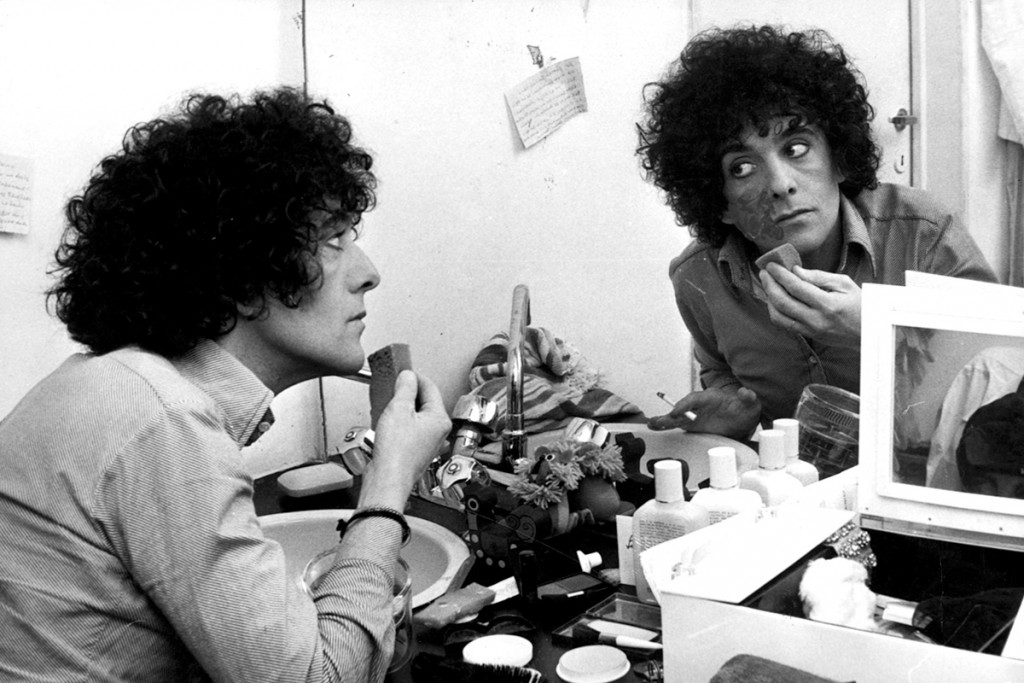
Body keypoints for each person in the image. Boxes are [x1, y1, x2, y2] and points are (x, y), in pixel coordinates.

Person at [0, 88, 451, 682]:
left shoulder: (118, 388)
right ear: (241, 271)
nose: (369, 273)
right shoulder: (161, 420)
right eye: (334, 241)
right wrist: (389, 480)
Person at [636, 25, 997, 440]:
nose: (780, 184)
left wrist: (875, 326)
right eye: (742, 167)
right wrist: (734, 414)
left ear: (839, 159)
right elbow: (719, 369)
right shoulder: (698, 277)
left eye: (796, 148)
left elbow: (998, 369)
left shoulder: (924, 234)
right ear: (721, 203)